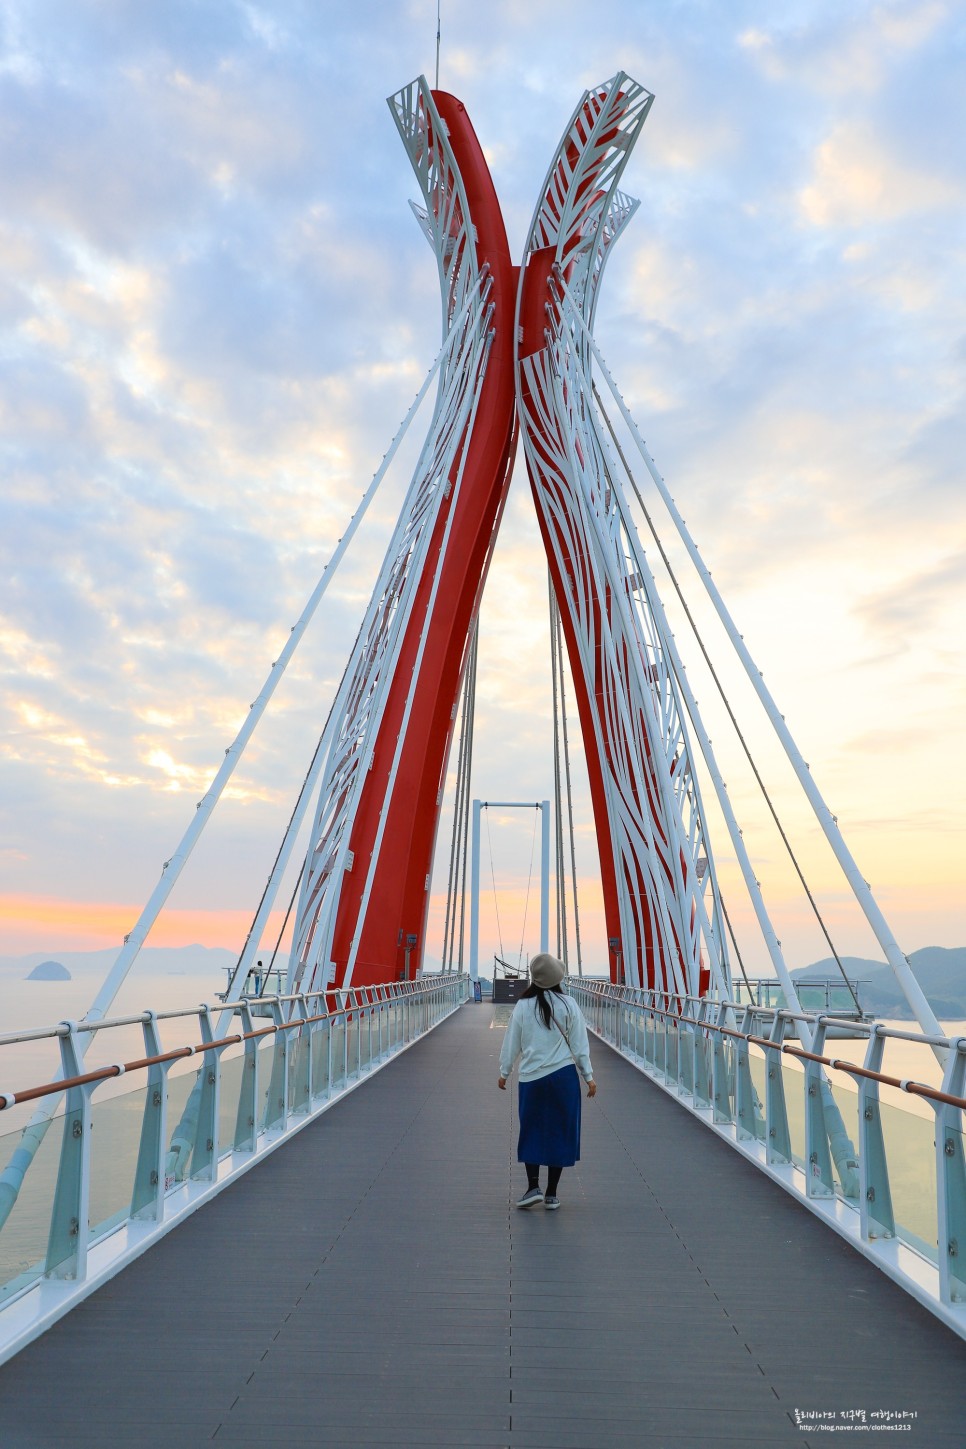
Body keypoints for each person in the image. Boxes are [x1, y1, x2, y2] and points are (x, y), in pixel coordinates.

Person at [497, 952, 596, 1210]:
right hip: (563, 1078)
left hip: (532, 1079)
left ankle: (533, 1187)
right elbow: (580, 1045)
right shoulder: (569, 1004)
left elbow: (512, 1042)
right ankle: (552, 1194)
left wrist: (504, 1071)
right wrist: (588, 1076)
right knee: (560, 1132)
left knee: (532, 1130)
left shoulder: (523, 1005)